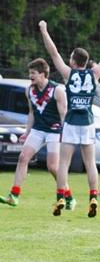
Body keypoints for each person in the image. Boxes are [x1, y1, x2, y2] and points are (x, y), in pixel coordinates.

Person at [40, 20, 100, 218]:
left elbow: (53, 53)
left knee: (63, 164)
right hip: (87, 122)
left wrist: (44, 30)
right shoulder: (94, 73)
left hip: (70, 122)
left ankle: (61, 196)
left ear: (72, 61)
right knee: (90, 164)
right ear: (86, 62)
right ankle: (93, 197)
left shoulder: (68, 74)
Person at [0, 59, 72, 208]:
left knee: (52, 166)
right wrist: (27, 132)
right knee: (23, 158)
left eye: (33, 73)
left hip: (54, 131)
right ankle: (14, 195)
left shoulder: (57, 90)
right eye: (29, 73)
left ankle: (68, 196)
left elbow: (64, 114)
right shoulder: (29, 90)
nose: (30, 76)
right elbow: (32, 112)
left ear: (43, 74)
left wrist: (65, 134)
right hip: (38, 130)